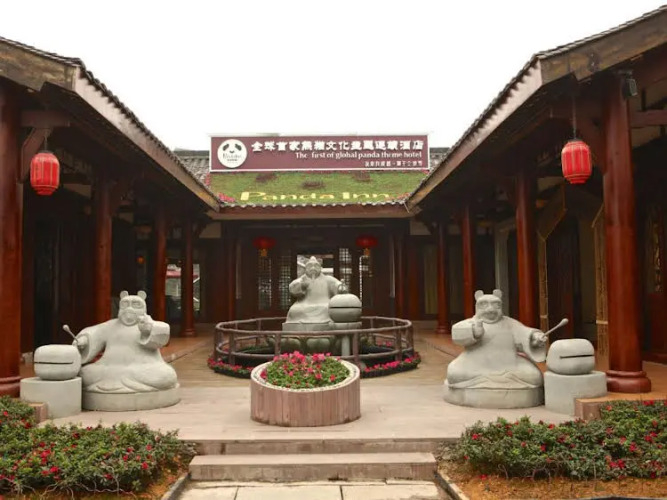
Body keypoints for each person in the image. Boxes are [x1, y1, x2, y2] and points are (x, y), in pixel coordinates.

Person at [284, 256, 342, 326]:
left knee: (328, 309)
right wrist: (301, 285)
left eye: (316, 266)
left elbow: (337, 284)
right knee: (294, 310)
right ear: (306, 268)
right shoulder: (302, 279)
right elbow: (293, 288)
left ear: (320, 268)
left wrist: (340, 287)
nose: (313, 268)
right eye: (310, 266)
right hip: (305, 303)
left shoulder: (328, 279)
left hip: (324, 303)